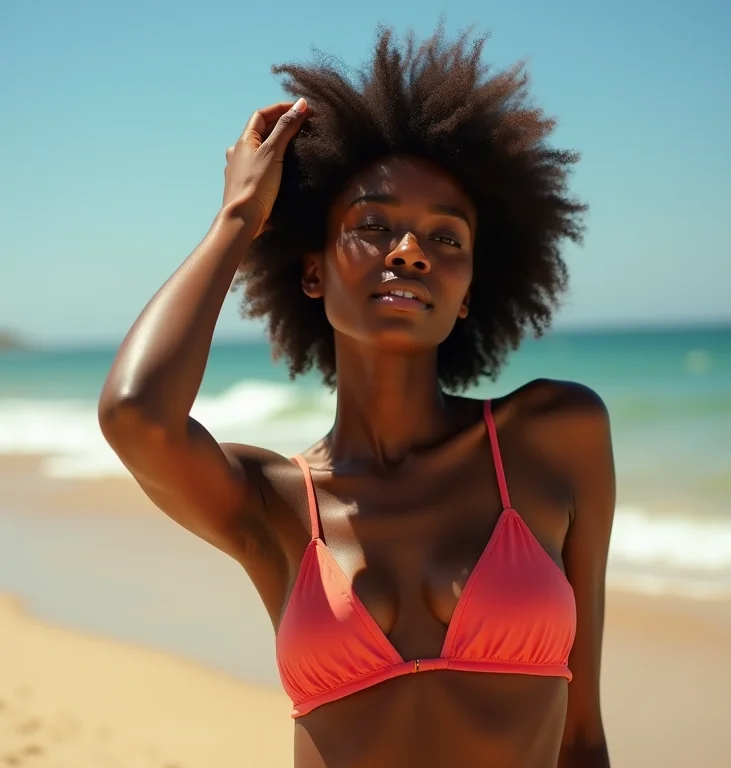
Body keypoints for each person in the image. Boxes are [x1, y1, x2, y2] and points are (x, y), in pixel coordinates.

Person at [99, 25, 614, 768]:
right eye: (373, 226)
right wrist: (239, 218)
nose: (409, 251)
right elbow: (135, 416)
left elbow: (584, 736)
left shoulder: (555, 435)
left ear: (468, 293)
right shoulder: (273, 501)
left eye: (446, 240)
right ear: (312, 272)